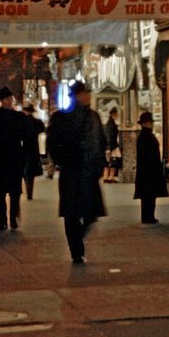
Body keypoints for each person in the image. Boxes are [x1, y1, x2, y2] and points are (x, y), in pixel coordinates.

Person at [46, 81, 107, 264]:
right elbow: (53, 143)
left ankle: (76, 242)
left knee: (87, 214)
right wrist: (59, 160)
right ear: (76, 95)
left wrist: (99, 165)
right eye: (84, 93)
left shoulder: (92, 117)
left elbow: (100, 143)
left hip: (85, 171)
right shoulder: (62, 118)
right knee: (73, 213)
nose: (87, 96)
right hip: (73, 171)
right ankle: (76, 251)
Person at [0, 86, 25, 231]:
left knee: (10, 193)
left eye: (11, 98)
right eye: (8, 99)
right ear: (2, 101)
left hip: (8, 160)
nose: (11, 101)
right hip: (3, 161)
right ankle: (6, 219)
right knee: (3, 194)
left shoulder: (16, 117)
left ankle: (9, 219)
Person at [133, 111, 167, 223]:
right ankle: (148, 217)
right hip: (149, 170)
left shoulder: (144, 136)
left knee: (148, 195)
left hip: (147, 170)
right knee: (149, 195)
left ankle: (148, 216)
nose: (149, 124)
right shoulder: (145, 136)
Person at [21, 103, 44, 199]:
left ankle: (28, 190)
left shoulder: (22, 122)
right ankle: (30, 191)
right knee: (32, 172)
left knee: (25, 171)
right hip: (34, 148)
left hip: (24, 148)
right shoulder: (37, 122)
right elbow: (42, 130)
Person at [103, 106, 120, 182]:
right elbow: (110, 136)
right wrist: (109, 148)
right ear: (114, 114)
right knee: (114, 161)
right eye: (117, 114)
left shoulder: (108, 123)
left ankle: (106, 176)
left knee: (107, 162)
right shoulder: (111, 124)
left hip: (109, 146)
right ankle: (111, 177)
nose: (118, 115)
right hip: (112, 146)